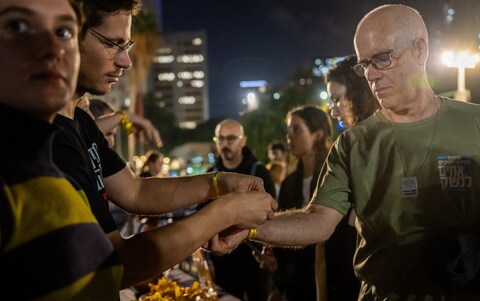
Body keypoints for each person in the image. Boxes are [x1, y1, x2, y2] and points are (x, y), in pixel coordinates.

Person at [0, 1, 277, 300]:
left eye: (64, 31)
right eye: (113, 44)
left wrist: (217, 183)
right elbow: (115, 263)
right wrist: (224, 212)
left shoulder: (78, 121)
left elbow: (135, 191)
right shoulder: (43, 142)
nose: (126, 62)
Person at [210, 4, 480, 300]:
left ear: (420, 49)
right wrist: (248, 227)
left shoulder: (474, 123)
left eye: (382, 59)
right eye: (365, 65)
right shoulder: (353, 143)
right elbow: (317, 220)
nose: (371, 75)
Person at [312, 55, 380, 301]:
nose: (332, 110)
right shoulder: (348, 148)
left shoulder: (384, 146)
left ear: (360, 94)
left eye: (337, 99)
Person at [256, 106, 333, 301]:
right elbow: (286, 225)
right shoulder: (290, 182)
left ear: (317, 134)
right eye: (288, 130)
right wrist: (274, 253)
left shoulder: (333, 176)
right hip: (298, 280)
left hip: (332, 273)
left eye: (296, 129)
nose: (289, 136)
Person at [208, 118, 277, 301]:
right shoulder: (210, 174)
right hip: (223, 260)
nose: (225, 144)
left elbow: (272, 215)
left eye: (231, 138)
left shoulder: (259, 172)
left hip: (254, 259)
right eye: (220, 139)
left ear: (243, 140)